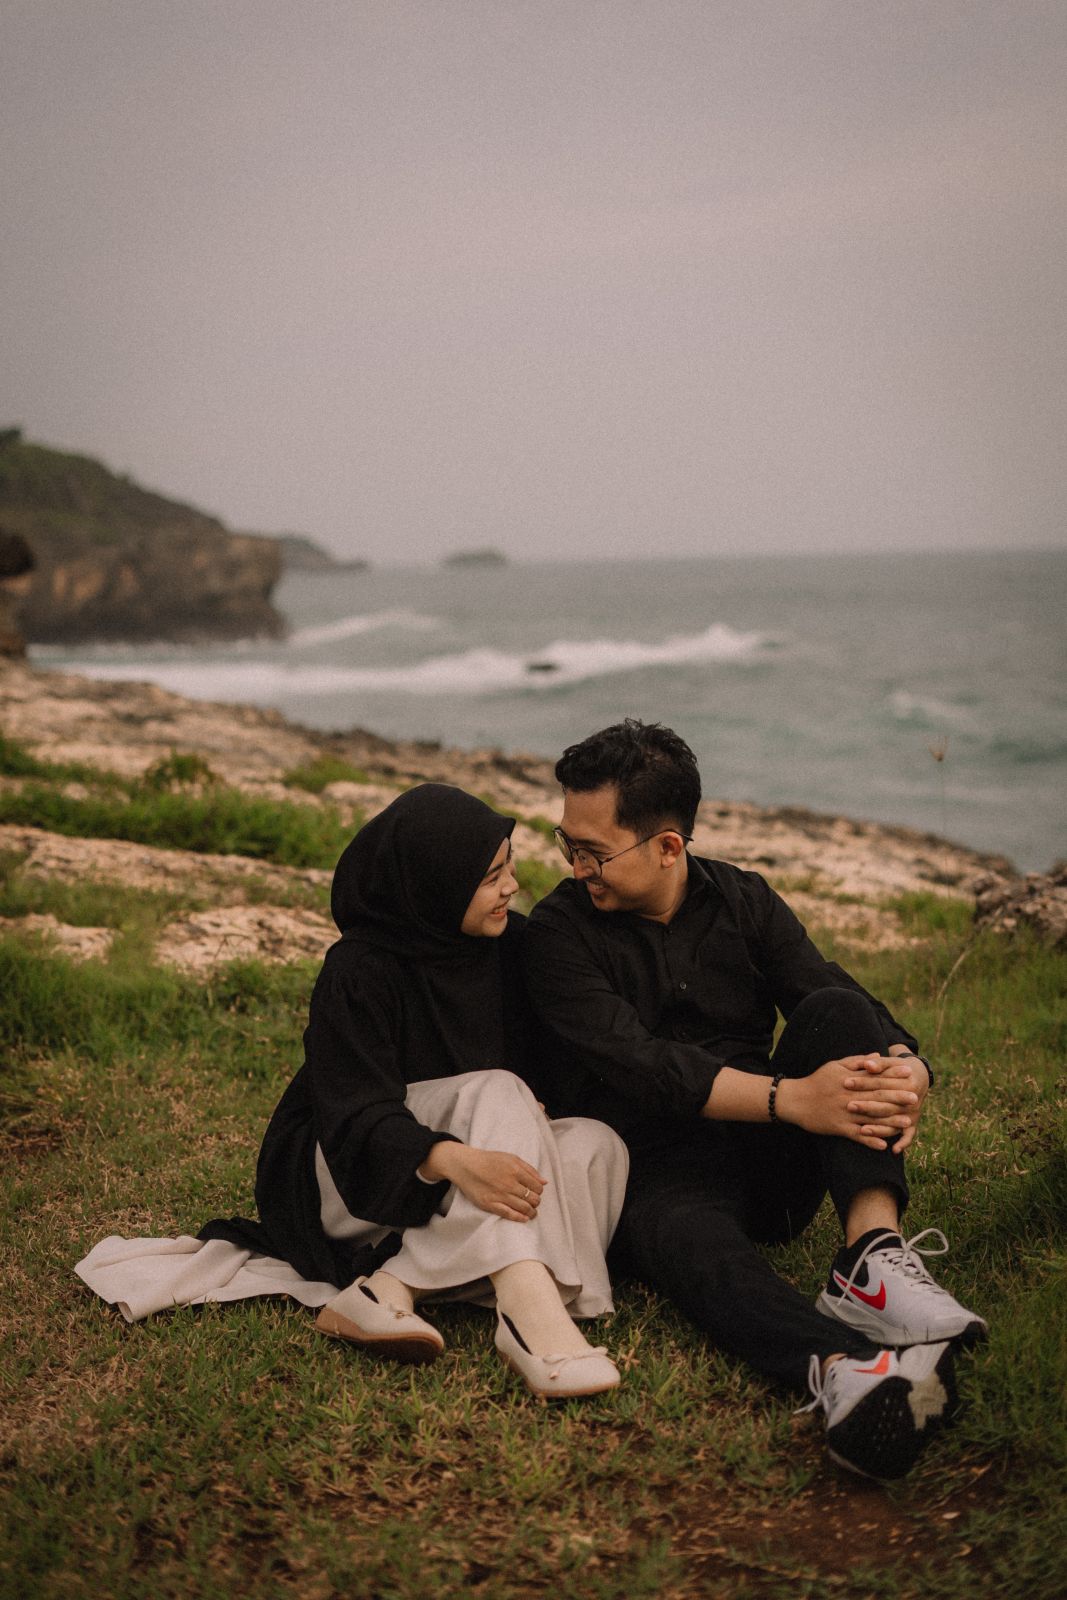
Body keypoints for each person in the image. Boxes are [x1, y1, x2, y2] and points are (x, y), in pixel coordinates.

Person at [522, 719, 986, 1476]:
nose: (577, 868)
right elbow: (641, 1065)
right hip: (652, 1171)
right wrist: (792, 1100)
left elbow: (822, 986)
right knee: (688, 1243)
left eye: (593, 852)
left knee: (836, 1012)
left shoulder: (742, 899)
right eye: (566, 844)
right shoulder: (556, 932)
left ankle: (869, 1258)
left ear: (667, 846)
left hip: (772, 1170)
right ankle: (843, 1368)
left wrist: (910, 1065)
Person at [77, 784, 627, 1400]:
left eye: (510, 867)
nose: (511, 887)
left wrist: (532, 1109)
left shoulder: (511, 948)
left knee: (595, 1144)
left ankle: (391, 1286)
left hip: (465, 1169)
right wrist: (450, 1157)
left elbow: (552, 1065)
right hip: (349, 1173)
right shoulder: (359, 968)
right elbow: (351, 1112)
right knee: (499, 1090)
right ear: (435, 885)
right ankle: (532, 1317)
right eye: (490, 877)